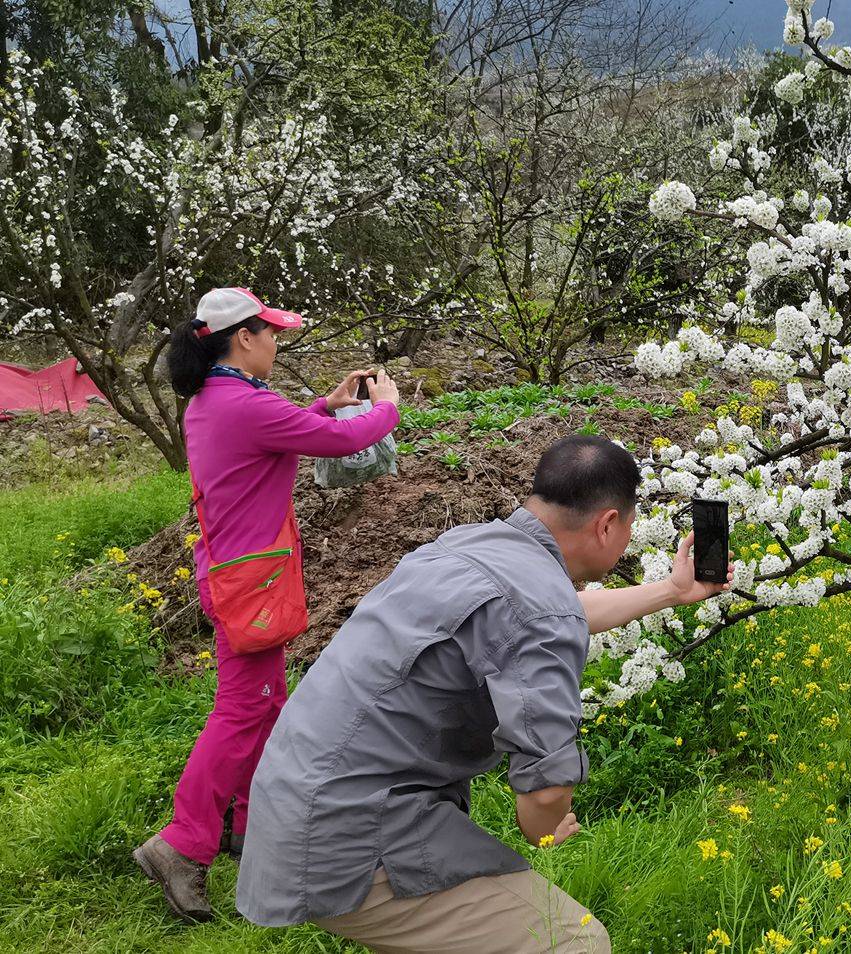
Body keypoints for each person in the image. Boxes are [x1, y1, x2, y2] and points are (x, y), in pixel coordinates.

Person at [235, 434, 730, 952]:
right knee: (572, 943)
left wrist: (673, 591)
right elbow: (541, 795)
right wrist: (542, 827)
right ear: (607, 524)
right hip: (351, 834)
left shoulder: (472, 546)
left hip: (293, 797)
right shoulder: (540, 611)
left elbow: (546, 616)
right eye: (627, 526)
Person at [134, 287, 403, 922]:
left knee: (266, 703)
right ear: (244, 338)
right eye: (272, 333)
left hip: (234, 572)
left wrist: (324, 404)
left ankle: (251, 828)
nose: (277, 343)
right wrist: (384, 408)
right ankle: (181, 845)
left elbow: (283, 430)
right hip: (251, 581)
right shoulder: (244, 404)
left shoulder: (215, 400)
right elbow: (335, 443)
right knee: (241, 710)